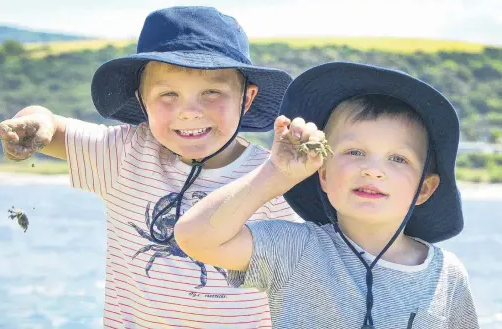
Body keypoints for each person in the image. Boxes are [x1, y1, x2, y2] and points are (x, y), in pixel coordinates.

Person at [0, 6, 304, 328]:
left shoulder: (276, 176)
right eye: (167, 94)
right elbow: (47, 124)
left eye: (212, 92)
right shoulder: (124, 154)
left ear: (246, 98)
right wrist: (34, 121)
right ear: (141, 100)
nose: (189, 111)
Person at [175, 62, 480, 328]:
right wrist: (275, 174)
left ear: (424, 189)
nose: (373, 170)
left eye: (398, 159)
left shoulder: (446, 275)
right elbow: (195, 236)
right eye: (354, 152)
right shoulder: (295, 250)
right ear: (322, 174)